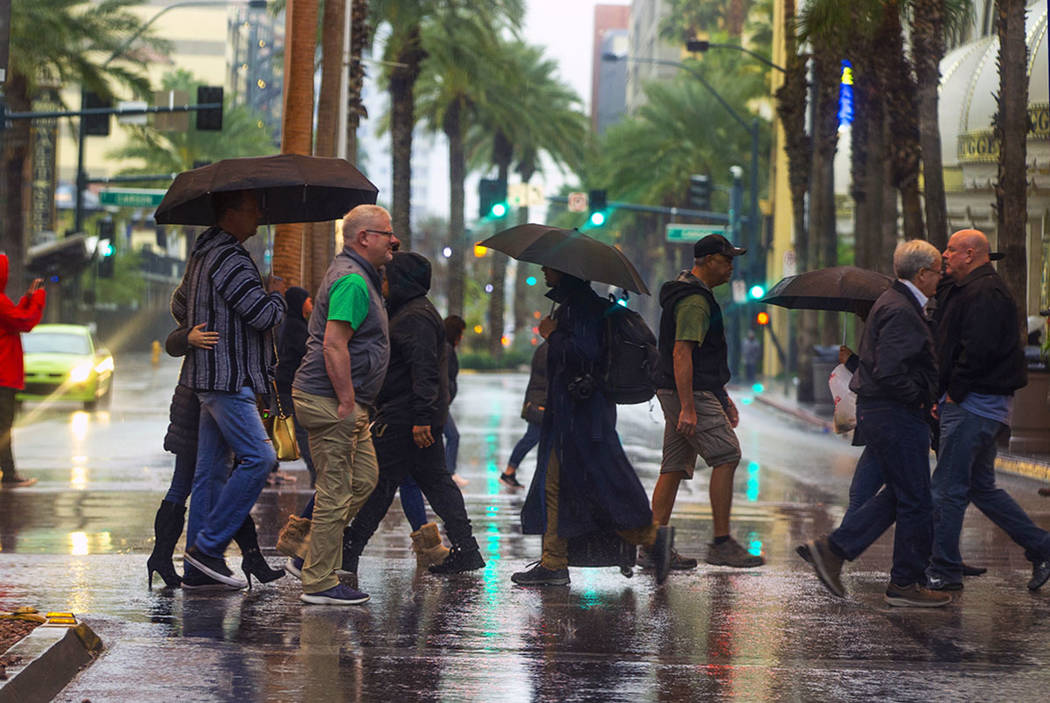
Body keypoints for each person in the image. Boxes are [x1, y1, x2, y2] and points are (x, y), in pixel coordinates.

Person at [801, 240, 951, 607]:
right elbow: (889, 370)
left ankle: (835, 550)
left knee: (903, 495)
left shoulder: (896, 302)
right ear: (921, 273)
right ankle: (902, 582)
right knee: (915, 499)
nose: (941, 277)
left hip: (888, 414)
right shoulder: (901, 309)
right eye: (937, 271)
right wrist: (919, 396)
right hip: (897, 415)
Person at [512, 266, 673, 587]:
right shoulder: (572, 304)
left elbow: (585, 353)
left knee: (605, 485)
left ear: (564, 272)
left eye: (549, 267)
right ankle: (554, 561)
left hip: (583, 417)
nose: (544, 270)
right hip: (569, 416)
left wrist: (552, 335)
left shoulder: (582, 307)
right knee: (555, 485)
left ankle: (652, 539)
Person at [342, 251, 485, 577]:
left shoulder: (415, 317)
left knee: (379, 486)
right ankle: (467, 549)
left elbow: (424, 371)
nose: (384, 283)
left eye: (388, 277)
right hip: (412, 416)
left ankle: (349, 553)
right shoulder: (412, 312)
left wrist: (421, 418)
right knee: (436, 484)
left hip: (407, 419)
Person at [172, 189, 287, 590]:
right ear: (232, 212)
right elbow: (261, 314)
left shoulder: (202, 255)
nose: (259, 215)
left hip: (208, 376)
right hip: (228, 377)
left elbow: (180, 304)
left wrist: (198, 324)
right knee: (260, 457)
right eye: (254, 208)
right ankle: (208, 547)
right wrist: (278, 296)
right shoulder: (230, 258)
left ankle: (199, 570)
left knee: (210, 471)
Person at [926, 229, 1050, 592]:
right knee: (981, 488)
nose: (944, 256)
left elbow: (978, 350)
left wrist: (954, 394)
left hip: (973, 405)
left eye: (950, 250)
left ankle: (944, 569)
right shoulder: (970, 289)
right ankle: (1042, 547)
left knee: (947, 488)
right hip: (979, 404)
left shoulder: (985, 293)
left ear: (969, 254)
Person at [291, 204, 397, 605]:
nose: (394, 240)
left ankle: (312, 556)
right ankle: (318, 581)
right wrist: (348, 402)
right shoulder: (352, 281)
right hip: (330, 400)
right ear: (363, 238)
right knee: (335, 492)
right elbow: (334, 343)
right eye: (386, 233)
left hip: (343, 402)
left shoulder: (362, 278)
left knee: (365, 479)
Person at [647, 234, 763, 570]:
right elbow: (682, 353)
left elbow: (703, 359)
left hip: (685, 391)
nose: (730, 268)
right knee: (727, 454)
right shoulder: (695, 301)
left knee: (673, 466)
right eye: (726, 260)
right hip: (687, 392)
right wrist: (688, 407)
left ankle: (653, 546)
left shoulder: (695, 296)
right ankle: (722, 543)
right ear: (707, 260)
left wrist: (722, 397)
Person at [148, 324, 285, 590]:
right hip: (195, 403)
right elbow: (172, 343)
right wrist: (187, 337)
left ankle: (241, 559)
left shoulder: (215, 309)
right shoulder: (203, 310)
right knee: (186, 484)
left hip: (210, 400)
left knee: (213, 483)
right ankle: (165, 557)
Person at [0, 255, 45, 488]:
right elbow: (25, 322)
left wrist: (27, 299)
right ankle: (8, 473)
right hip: (3, 376)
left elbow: (14, 318)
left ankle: (8, 471)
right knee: (3, 426)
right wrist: (37, 300)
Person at [275, 285, 315, 485]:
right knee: (300, 431)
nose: (311, 303)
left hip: (284, 387)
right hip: (288, 388)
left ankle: (270, 469)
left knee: (276, 425)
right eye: (308, 299)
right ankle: (316, 474)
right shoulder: (296, 328)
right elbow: (306, 354)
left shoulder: (291, 324)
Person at [500, 340, 548, 488]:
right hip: (540, 404)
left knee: (533, 438)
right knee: (532, 437)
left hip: (538, 401)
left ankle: (510, 472)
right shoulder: (548, 349)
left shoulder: (545, 348)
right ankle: (509, 472)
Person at [443, 315, 467, 487]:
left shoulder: (445, 347)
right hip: (441, 403)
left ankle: (447, 471)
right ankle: (448, 472)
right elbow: (444, 375)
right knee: (453, 436)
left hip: (442, 402)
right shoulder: (446, 349)